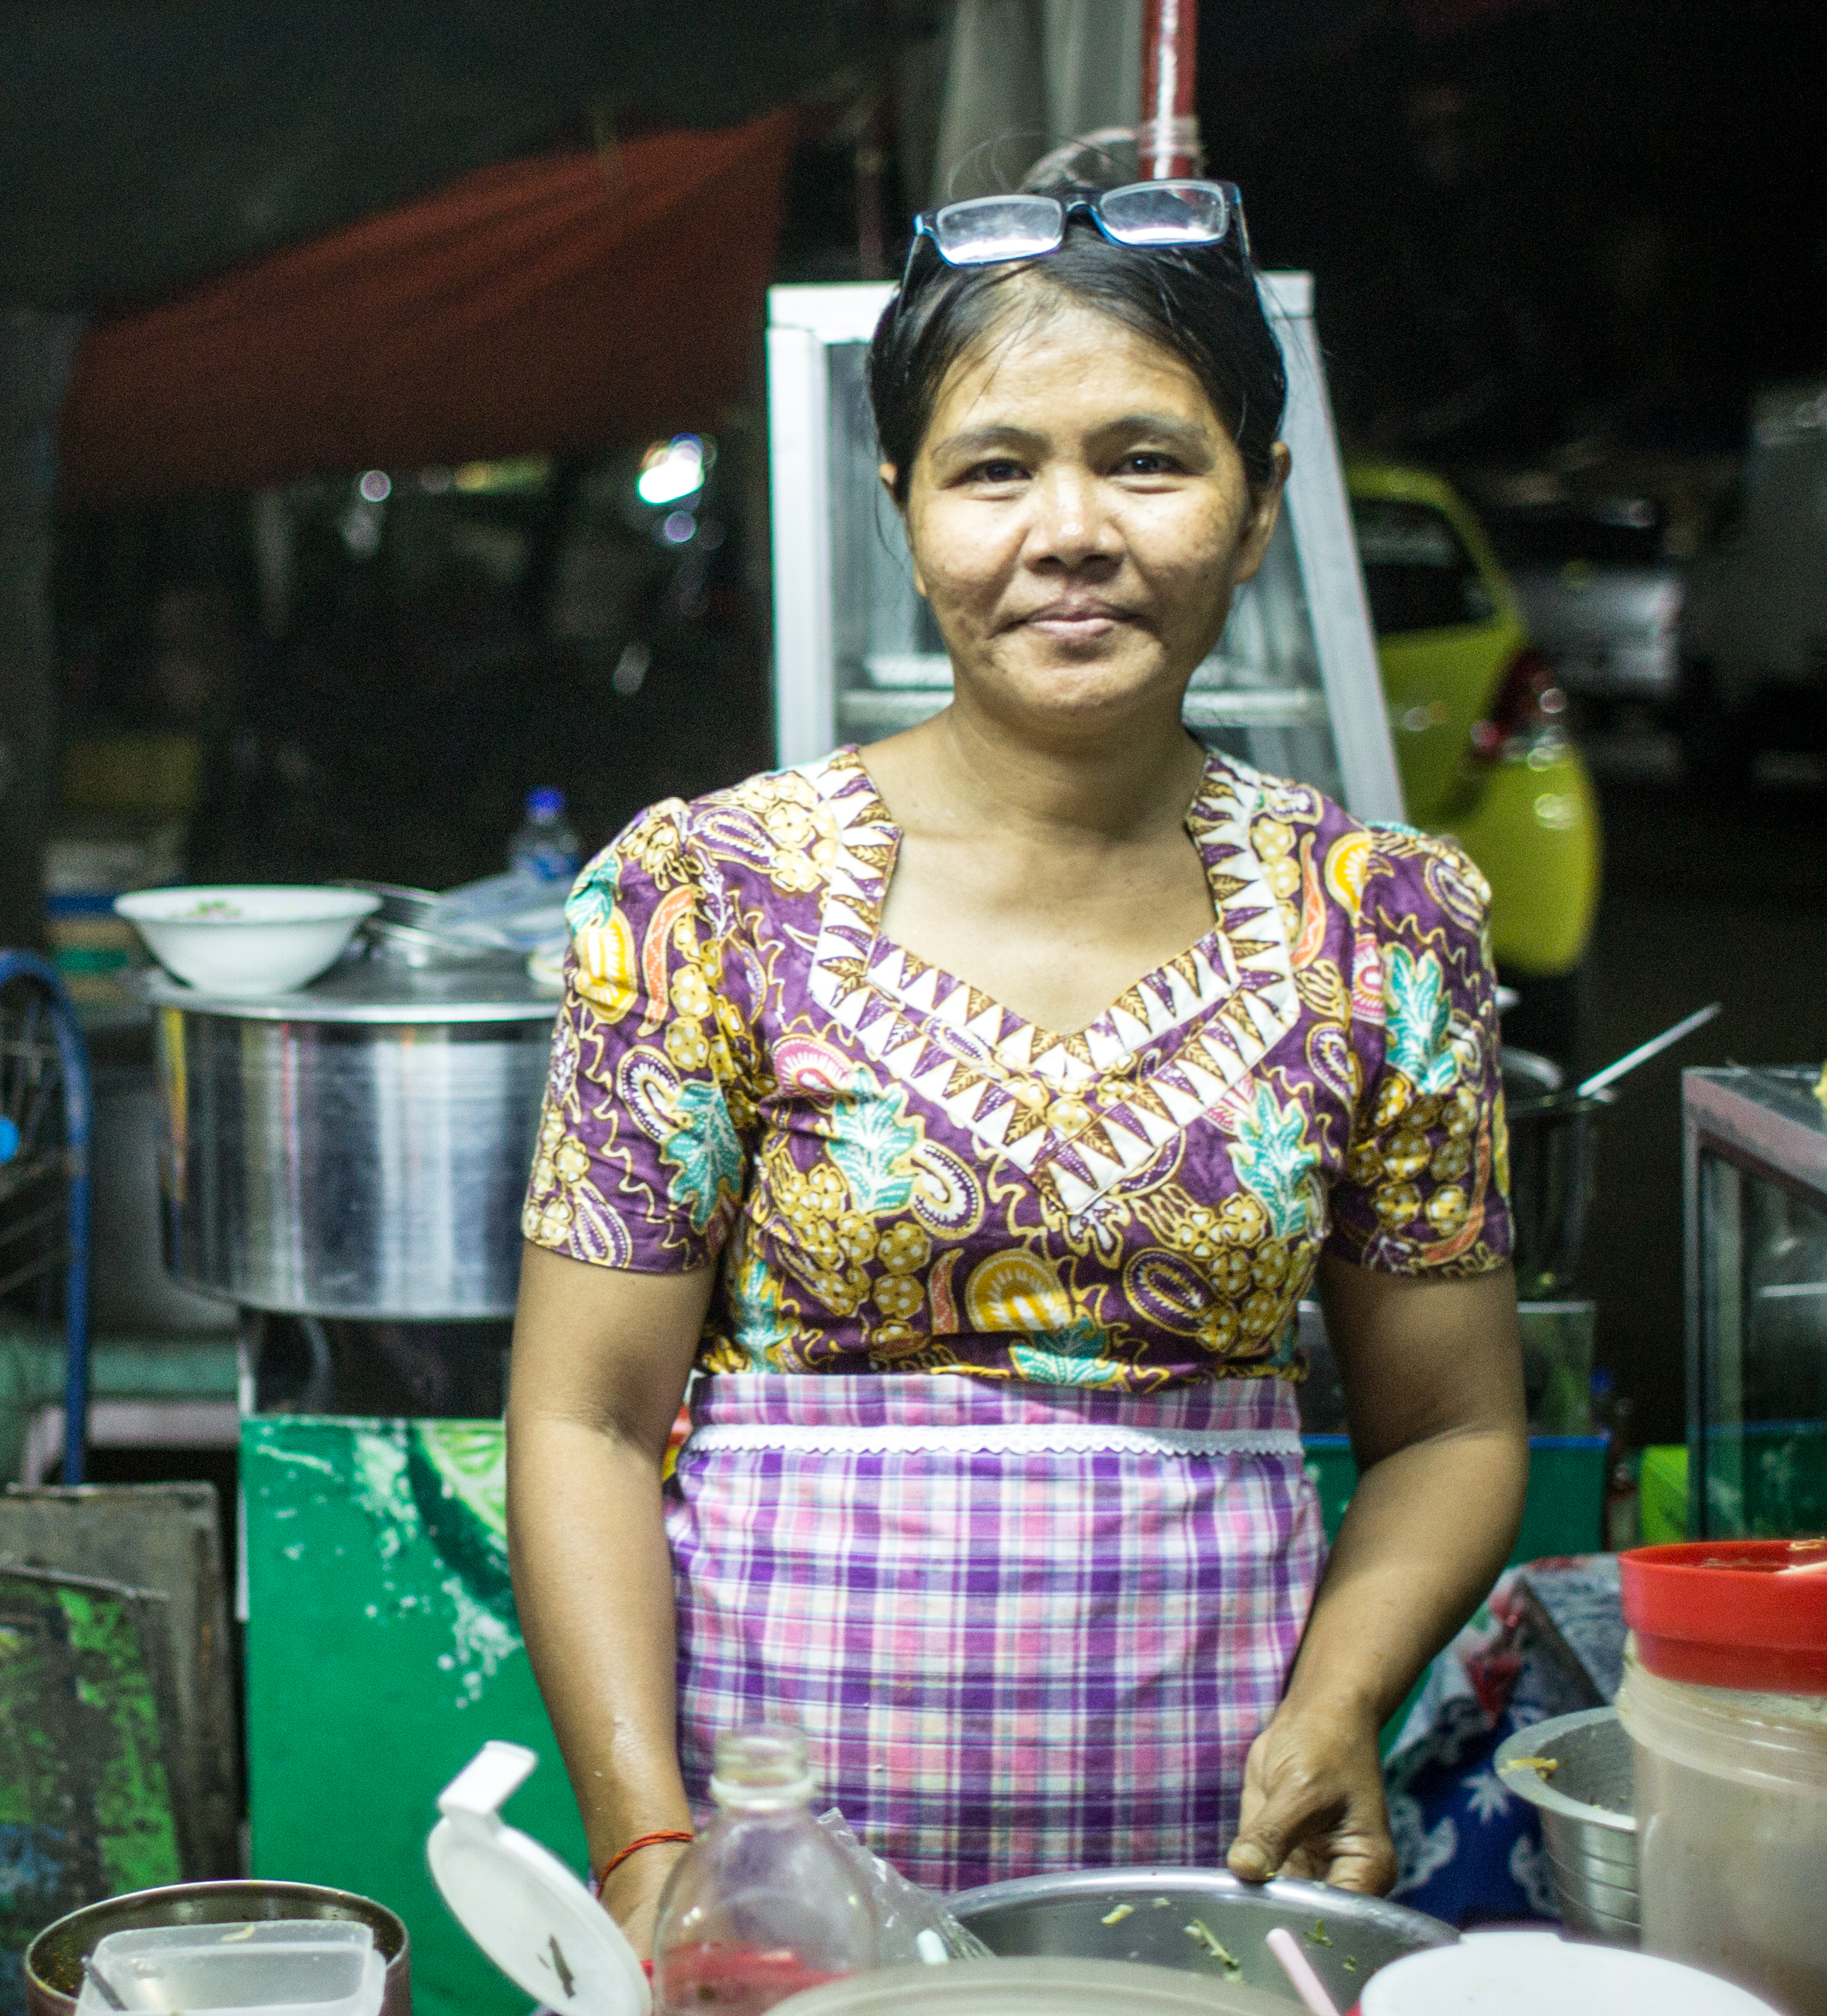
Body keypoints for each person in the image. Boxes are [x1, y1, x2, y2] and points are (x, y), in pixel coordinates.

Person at [505, 180, 1525, 1940]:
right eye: (992, 470)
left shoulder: (1382, 924)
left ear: (1261, 501)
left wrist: (1345, 1688)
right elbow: (583, 1414)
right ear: (902, 512)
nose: (1071, 530)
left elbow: (1452, 1419)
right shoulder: (710, 899)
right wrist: (652, 1854)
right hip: (775, 1887)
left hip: (1207, 1867)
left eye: (1147, 458)